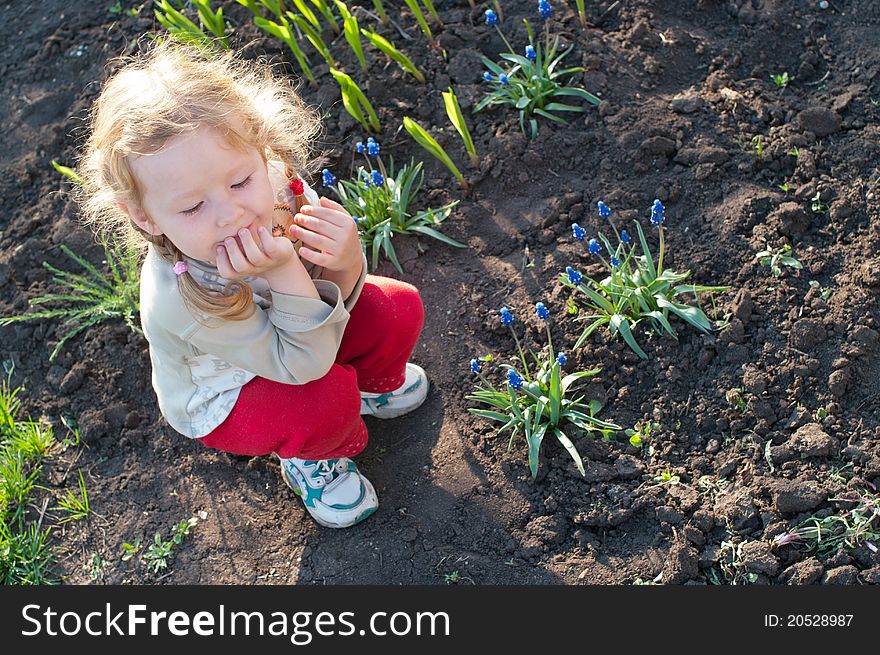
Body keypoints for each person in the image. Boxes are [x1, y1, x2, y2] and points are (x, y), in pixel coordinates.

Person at [76, 42, 428, 529]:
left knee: (396, 308)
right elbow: (301, 365)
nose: (231, 213)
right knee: (323, 398)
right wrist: (285, 272)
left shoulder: (281, 189)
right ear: (142, 215)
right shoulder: (184, 296)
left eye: (241, 181)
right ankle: (313, 460)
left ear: (261, 152)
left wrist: (346, 261)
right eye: (192, 208)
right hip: (233, 394)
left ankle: (371, 390)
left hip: (303, 337)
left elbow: (335, 296)